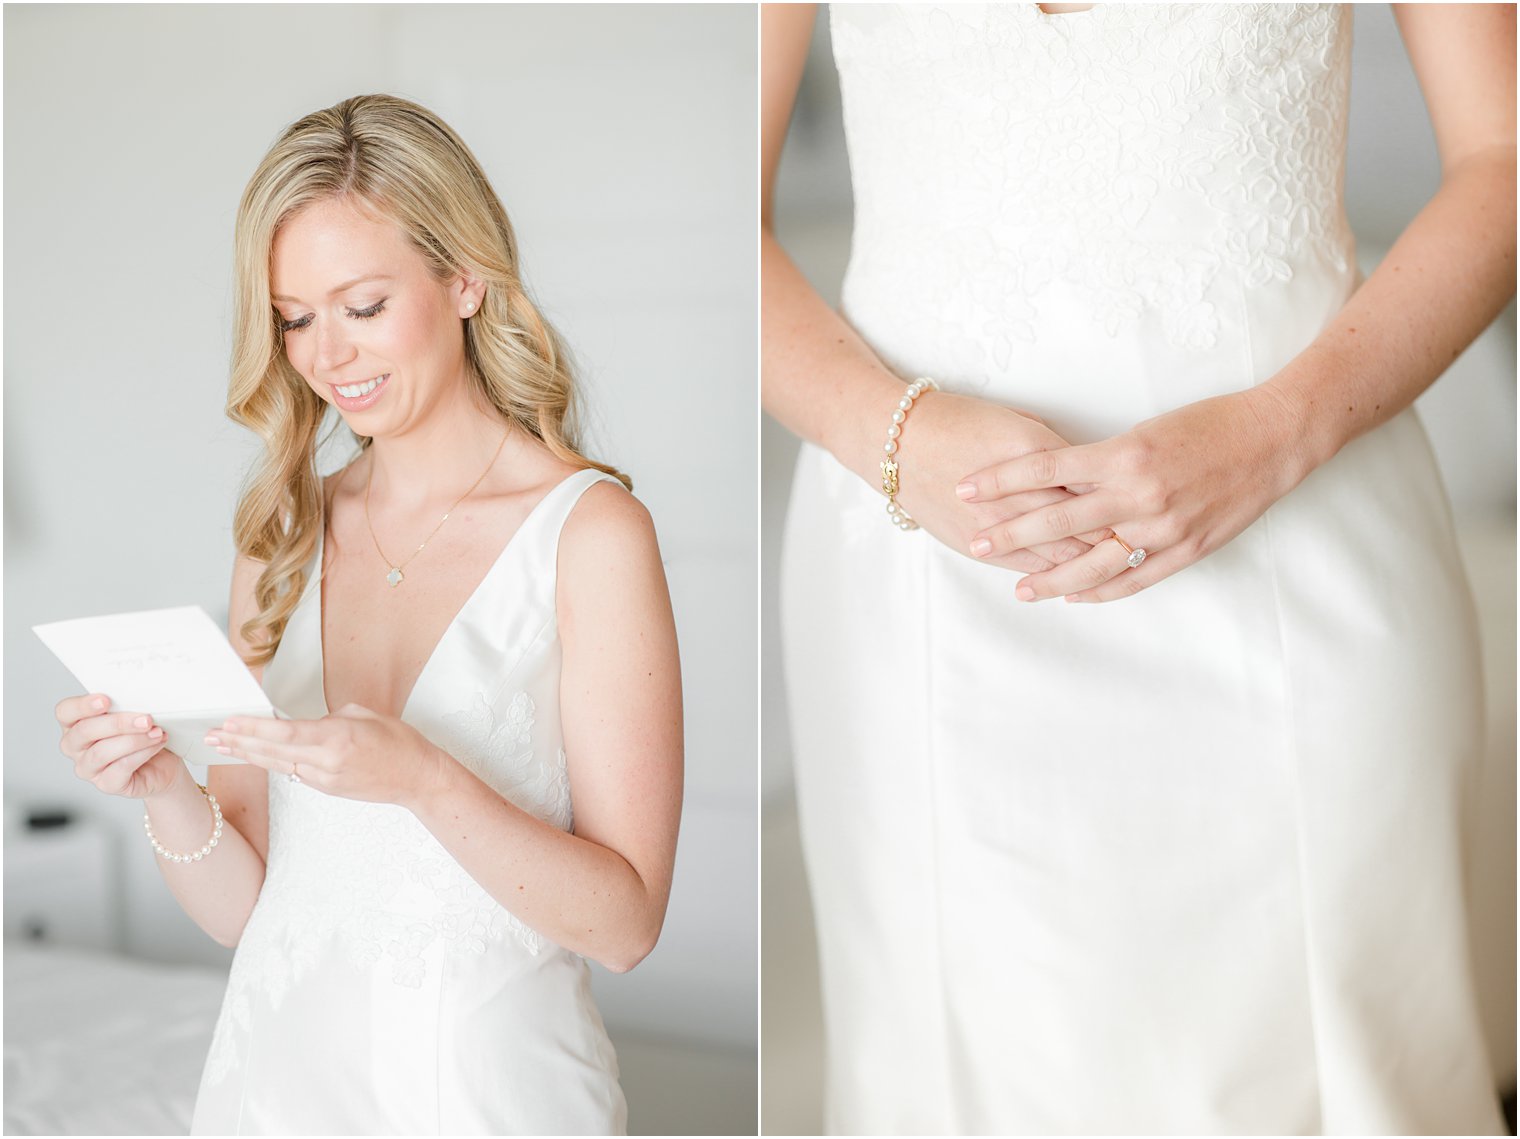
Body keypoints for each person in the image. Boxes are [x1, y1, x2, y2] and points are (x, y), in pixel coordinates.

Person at [764, 3, 1513, 1134]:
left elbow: (1502, 157)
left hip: (1301, 538)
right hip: (927, 575)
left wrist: (1276, 433)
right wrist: (892, 433)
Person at [54, 93, 683, 1134]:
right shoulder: (278, 539)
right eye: (295, 317)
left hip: (486, 1091)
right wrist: (165, 787)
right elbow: (245, 911)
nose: (326, 356)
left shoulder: (589, 534)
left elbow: (623, 925)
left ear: (464, 277)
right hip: (274, 1084)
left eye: (363, 305)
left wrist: (425, 779)